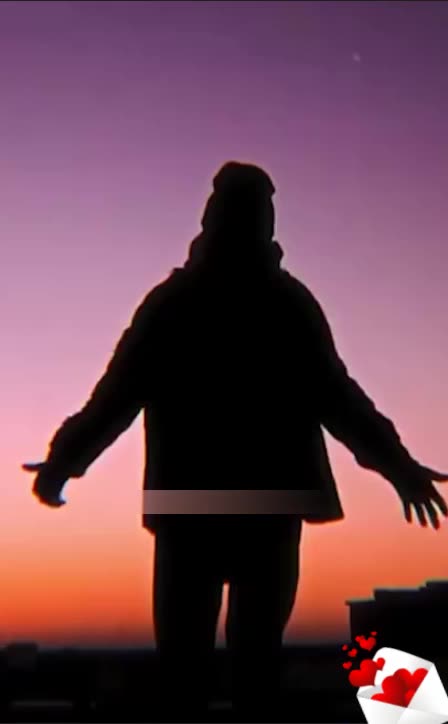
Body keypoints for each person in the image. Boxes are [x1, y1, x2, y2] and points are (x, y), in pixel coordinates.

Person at [23, 161, 448, 719]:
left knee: (194, 672)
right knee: (249, 670)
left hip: (197, 507)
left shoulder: (181, 303)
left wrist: (65, 460)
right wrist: (400, 468)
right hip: (259, 508)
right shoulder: (280, 303)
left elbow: (118, 395)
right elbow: (339, 399)